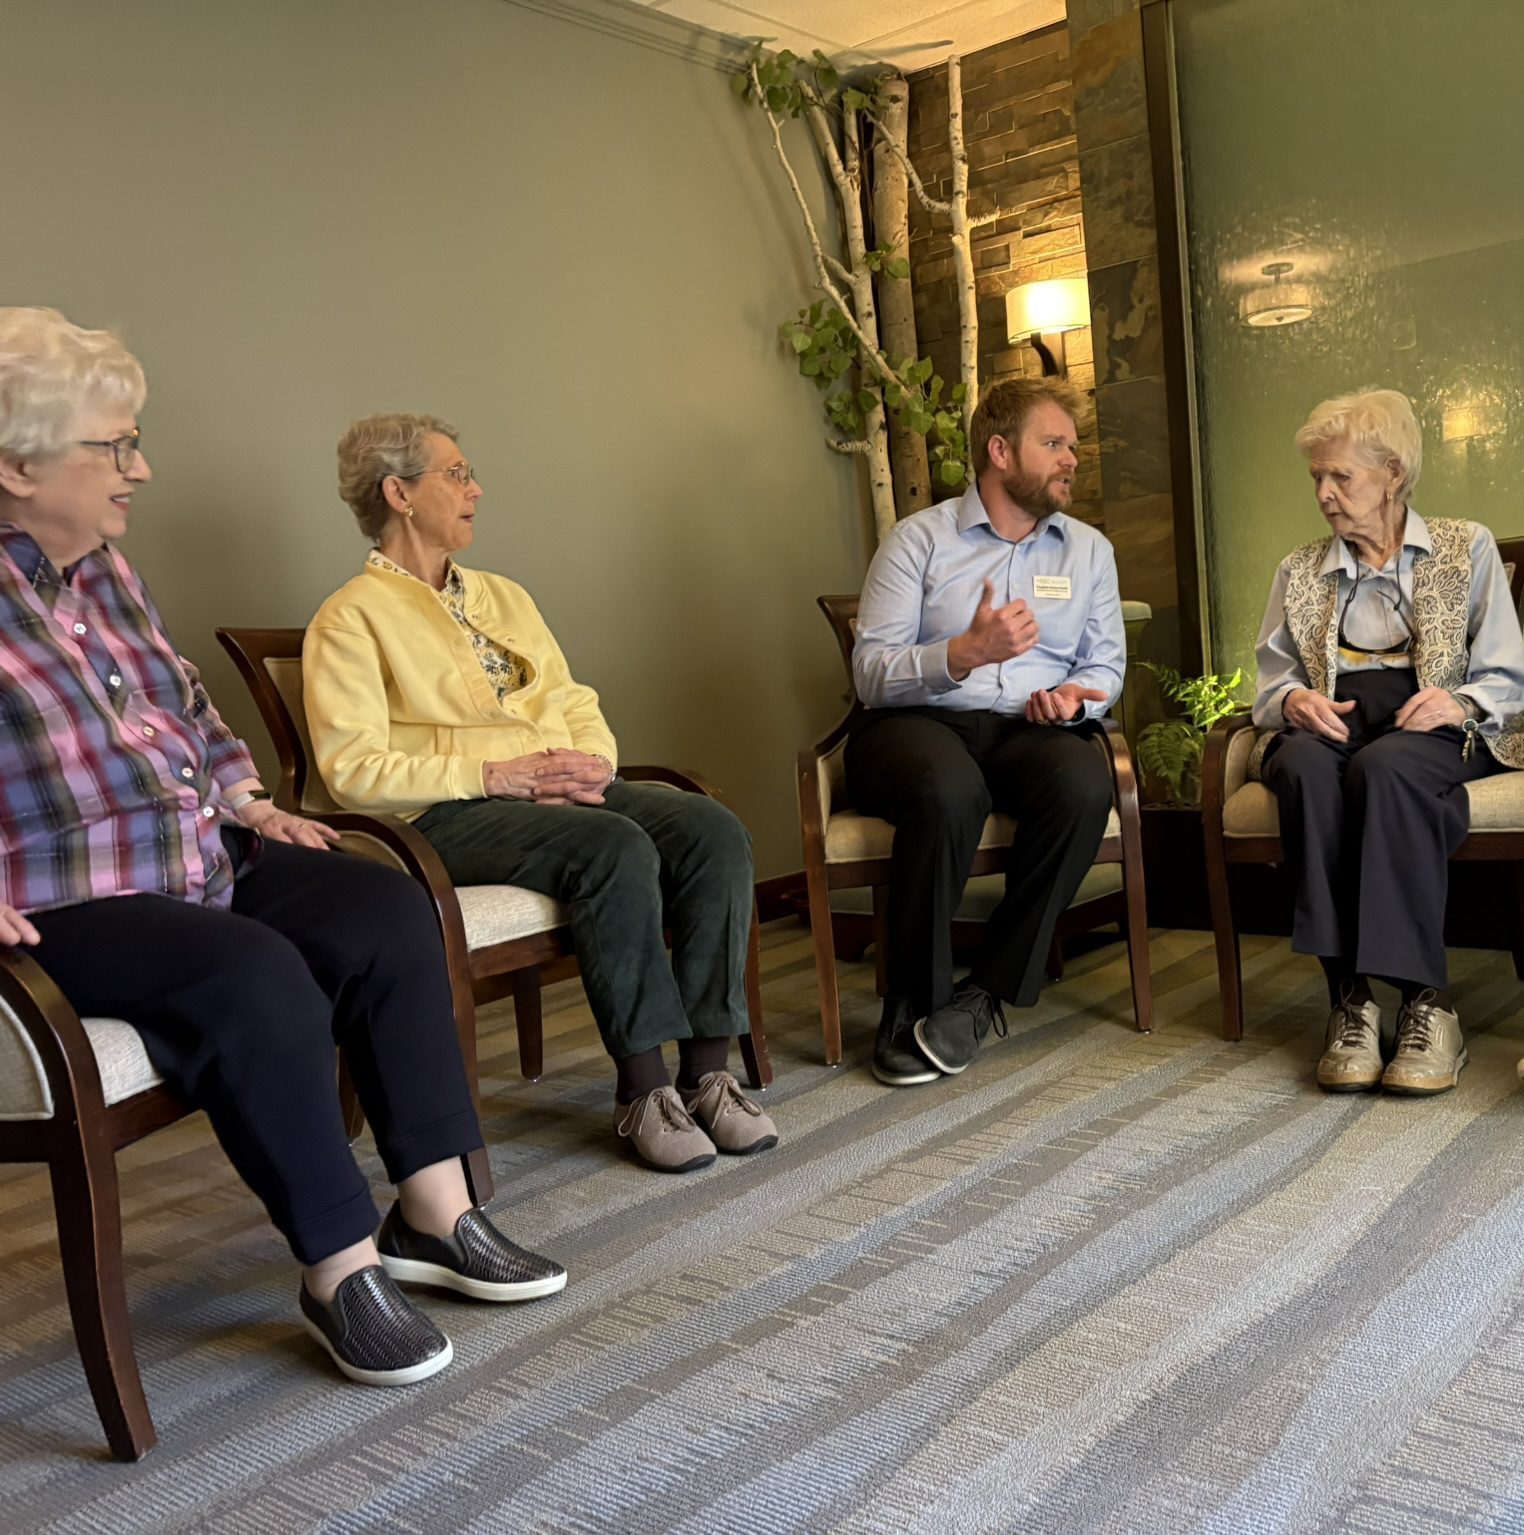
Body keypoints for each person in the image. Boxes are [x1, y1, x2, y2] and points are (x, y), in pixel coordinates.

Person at [0, 307, 565, 1389]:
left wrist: (246, 800)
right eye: (116, 446)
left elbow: (184, 707)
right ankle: (338, 1264)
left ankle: (436, 1211)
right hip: (68, 892)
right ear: (20, 461)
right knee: (258, 977)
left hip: (198, 850)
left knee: (385, 905)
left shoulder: (105, 569)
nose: (143, 467)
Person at [302, 413, 776, 1173]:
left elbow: (573, 697)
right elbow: (352, 770)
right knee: (612, 846)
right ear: (397, 492)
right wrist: (495, 776)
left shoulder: (504, 597)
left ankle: (707, 1074)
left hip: (546, 790)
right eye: (455, 474)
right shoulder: (349, 618)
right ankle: (643, 1089)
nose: (475, 488)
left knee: (710, 828)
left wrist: (594, 762)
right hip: (441, 816)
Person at [847, 377, 1125, 1087]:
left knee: (1084, 780)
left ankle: (985, 994)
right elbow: (870, 672)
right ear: (1000, 451)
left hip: (1028, 728)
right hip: (917, 722)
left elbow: (1106, 663)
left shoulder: (1088, 551)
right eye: (1054, 443)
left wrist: (1074, 696)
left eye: (1073, 445)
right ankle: (911, 1000)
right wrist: (960, 654)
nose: (1072, 458)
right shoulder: (917, 542)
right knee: (948, 790)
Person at [1252, 388, 1524, 1095]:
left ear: (1394, 474)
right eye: (1317, 477)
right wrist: (1295, 699)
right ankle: (1350, 999)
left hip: (1429, 722)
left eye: (1341, 475)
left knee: (1384, 769)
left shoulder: (1467, 548)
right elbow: (1270, 683)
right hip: (1332, 719)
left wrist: (1457, 699)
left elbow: (1507, 673)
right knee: (1305, 770)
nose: (1324, 493)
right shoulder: (1300, 567)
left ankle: (1426, 1001)